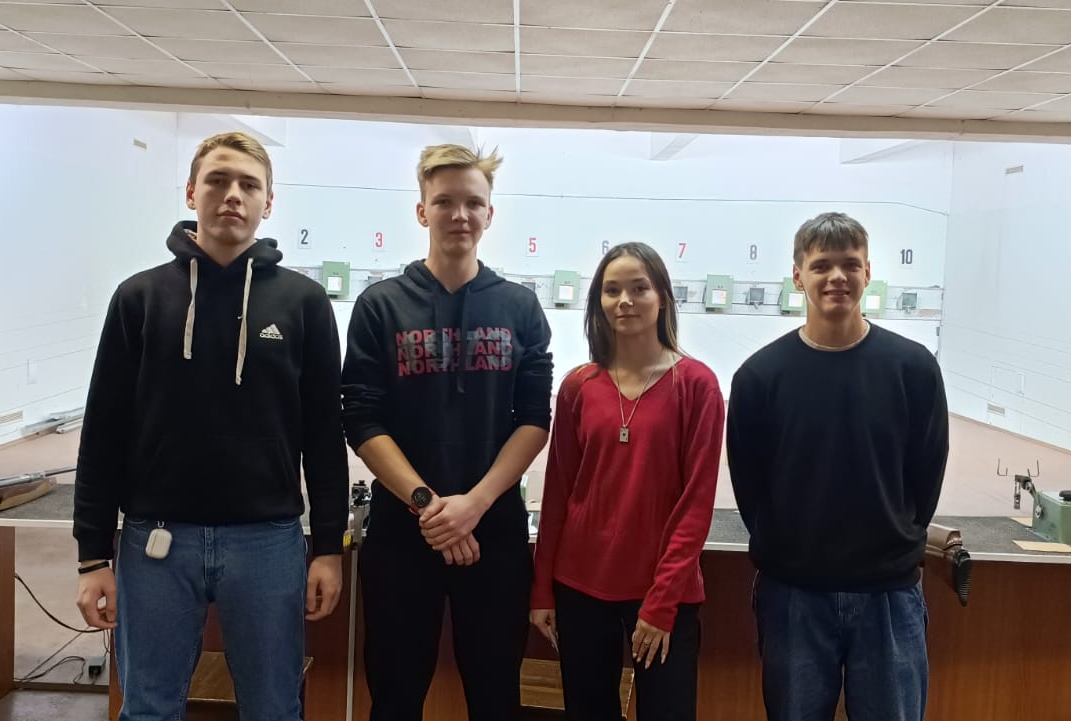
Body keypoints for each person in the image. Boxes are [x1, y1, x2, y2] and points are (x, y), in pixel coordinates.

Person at [71, 131, 348, 721]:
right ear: (191, 192)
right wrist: (92, 556)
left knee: (274, 709)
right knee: (148, 708)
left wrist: (328, 547)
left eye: (249, 184)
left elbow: (325, 436)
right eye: (217, 181)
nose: (232, 195)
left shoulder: (303, 303)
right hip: (156, 543)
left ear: (268, 201)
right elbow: (103, 433)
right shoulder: (139, 298)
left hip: (268, 543)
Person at [340, 143, 555, 721]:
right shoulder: (380, 306)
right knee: (395, 697)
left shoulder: (521, 307)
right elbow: (360, 417)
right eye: (444, 202)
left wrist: (474, 505)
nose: (459, 214)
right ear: (422, 211)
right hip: (402, 532)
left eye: (472, 203)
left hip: (494, 532)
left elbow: (534, 419)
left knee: (496, 697)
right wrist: (429, 507)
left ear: (490, 214)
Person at [727, 212, 949, 721]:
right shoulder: (760, 377)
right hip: (793, 595)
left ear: (868, 273)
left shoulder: (913, 369)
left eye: (850, 264)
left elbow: (926, 476)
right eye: (821, 265)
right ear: (798, 276)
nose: (837, 277)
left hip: (888, 594)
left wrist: (894, 541)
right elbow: (749, 487)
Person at [530, 242, 724, 721]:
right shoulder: (578, 386)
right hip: (580, 587)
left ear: (663, 298)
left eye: (639, 289)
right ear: (598, 301)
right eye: (612, 290)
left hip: (662, 592)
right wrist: (542, 591)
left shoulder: (697, 385)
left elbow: (696, 504)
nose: (625, 301)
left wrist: (661, 603)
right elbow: (558, 495)